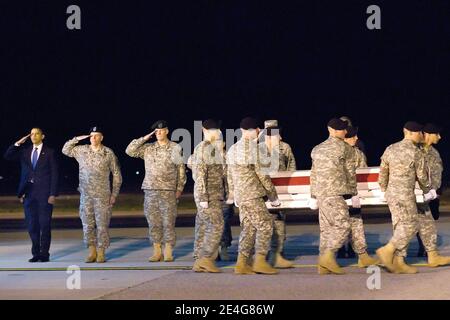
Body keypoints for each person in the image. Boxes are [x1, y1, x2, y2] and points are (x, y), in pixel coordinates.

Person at [376, 121, 433, 274]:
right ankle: (387, 250)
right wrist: (428, 189)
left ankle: (399, 261)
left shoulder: (391, 148)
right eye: (419, 132)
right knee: (412, 224)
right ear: (409, 132)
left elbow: (383, 172)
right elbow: (421, 176)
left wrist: (383, 189)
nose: (421, 135)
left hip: (391, 193)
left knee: (399, 225)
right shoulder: (415, 151)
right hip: (404, 194)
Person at [126, 120, 186, 262]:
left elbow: (181, 169)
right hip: (151, 190)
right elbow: (129, 151)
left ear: (167, 131)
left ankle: (168, 250)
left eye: (161, 130)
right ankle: (157, 250)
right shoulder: (148, 148)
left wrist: (179, 188)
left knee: (168, 221)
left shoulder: (175, 148)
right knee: (153, 222)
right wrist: (144, 138)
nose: (159, 133)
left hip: (168, 190)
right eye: (156, 131)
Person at [227, 117, 281, 275]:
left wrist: (233, 193)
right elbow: (262, 175)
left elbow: (229, 174)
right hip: (252, 194)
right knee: (266, 225)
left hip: (241, 196)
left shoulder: (232, 150)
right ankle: (260, 261)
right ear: (255, 130)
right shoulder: (254, 149)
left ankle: (242, 263)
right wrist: (273, 196)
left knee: (249, 229)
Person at [62, 126, 122, 263]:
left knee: (102, 225)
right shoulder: (82, 150)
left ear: (102, 137)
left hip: (103, 195)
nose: (93, 138)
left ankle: (101, 252)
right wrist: (76, 139)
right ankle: (92, 252)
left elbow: (117, 174)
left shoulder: (108, 153)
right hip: (86, 195)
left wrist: (114, 194)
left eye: (96, 135)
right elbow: (65, 150)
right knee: (87, 225)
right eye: (91, 136)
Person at [310, 118, 357, 275]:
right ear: (336, 131)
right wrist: (353, 193)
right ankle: (328, 257)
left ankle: (322, 265)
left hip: (321, 194)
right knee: (343, 225)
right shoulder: (346, 149)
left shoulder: (317, 149)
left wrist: (313, 195)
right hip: (335, 192)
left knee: (326, 230)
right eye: (343, 129)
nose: (345, 132)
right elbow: (350, 173)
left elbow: (314, 173)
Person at [4, 128, 59, 262]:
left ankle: (44, 254)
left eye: (37, 134)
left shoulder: (50, 152)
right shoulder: (24, 151)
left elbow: (55, 174)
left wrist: (53, 194)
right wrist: (18, 143)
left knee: (44, 225)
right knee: (32, 225)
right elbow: (8, 155)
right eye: (32, 134)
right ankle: (36, 254)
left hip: (45, 194)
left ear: (43, 136)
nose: (34, 136)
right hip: (28, 194)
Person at [259, 119, 296, 268]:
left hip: (279, 193)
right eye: (275, 134)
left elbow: (291, 167)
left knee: (279, 221)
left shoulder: (284, 148)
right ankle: (264, 252)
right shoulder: (258, 150)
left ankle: (278, 251)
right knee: (263, 223)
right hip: (263, 193)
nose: (278, 137)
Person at [191, 119, 226, 273]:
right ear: (204, 130)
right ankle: (206, 258)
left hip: (214, 194)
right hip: (208, 196)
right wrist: (203, 197)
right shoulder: (204, 148)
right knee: (217, 225)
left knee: (206, 227)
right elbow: (199, 174)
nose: (216, 132)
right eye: (213, 129)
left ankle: (200, 261)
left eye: (217, 129)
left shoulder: (212, 148)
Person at [413, 123, 450, 266]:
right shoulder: (416, 149)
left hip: (433, 194)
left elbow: (438, 172)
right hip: (418, 193)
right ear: (427, 134)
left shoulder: (434, 152)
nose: (439, 137)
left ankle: (427, 248)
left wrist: (438, 191)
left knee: (432, 218)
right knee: (419, 222)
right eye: (437, 134)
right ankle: (424, 247)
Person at [342, 126, 378, 267]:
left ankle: (362, 255)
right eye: (353, 136)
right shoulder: (336, 153)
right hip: (338, 196)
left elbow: (363, 177)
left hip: (352, 196)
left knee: (356, 224)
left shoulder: (358, 154)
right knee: (337, 227)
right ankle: (328, 257)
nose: (356, 139)